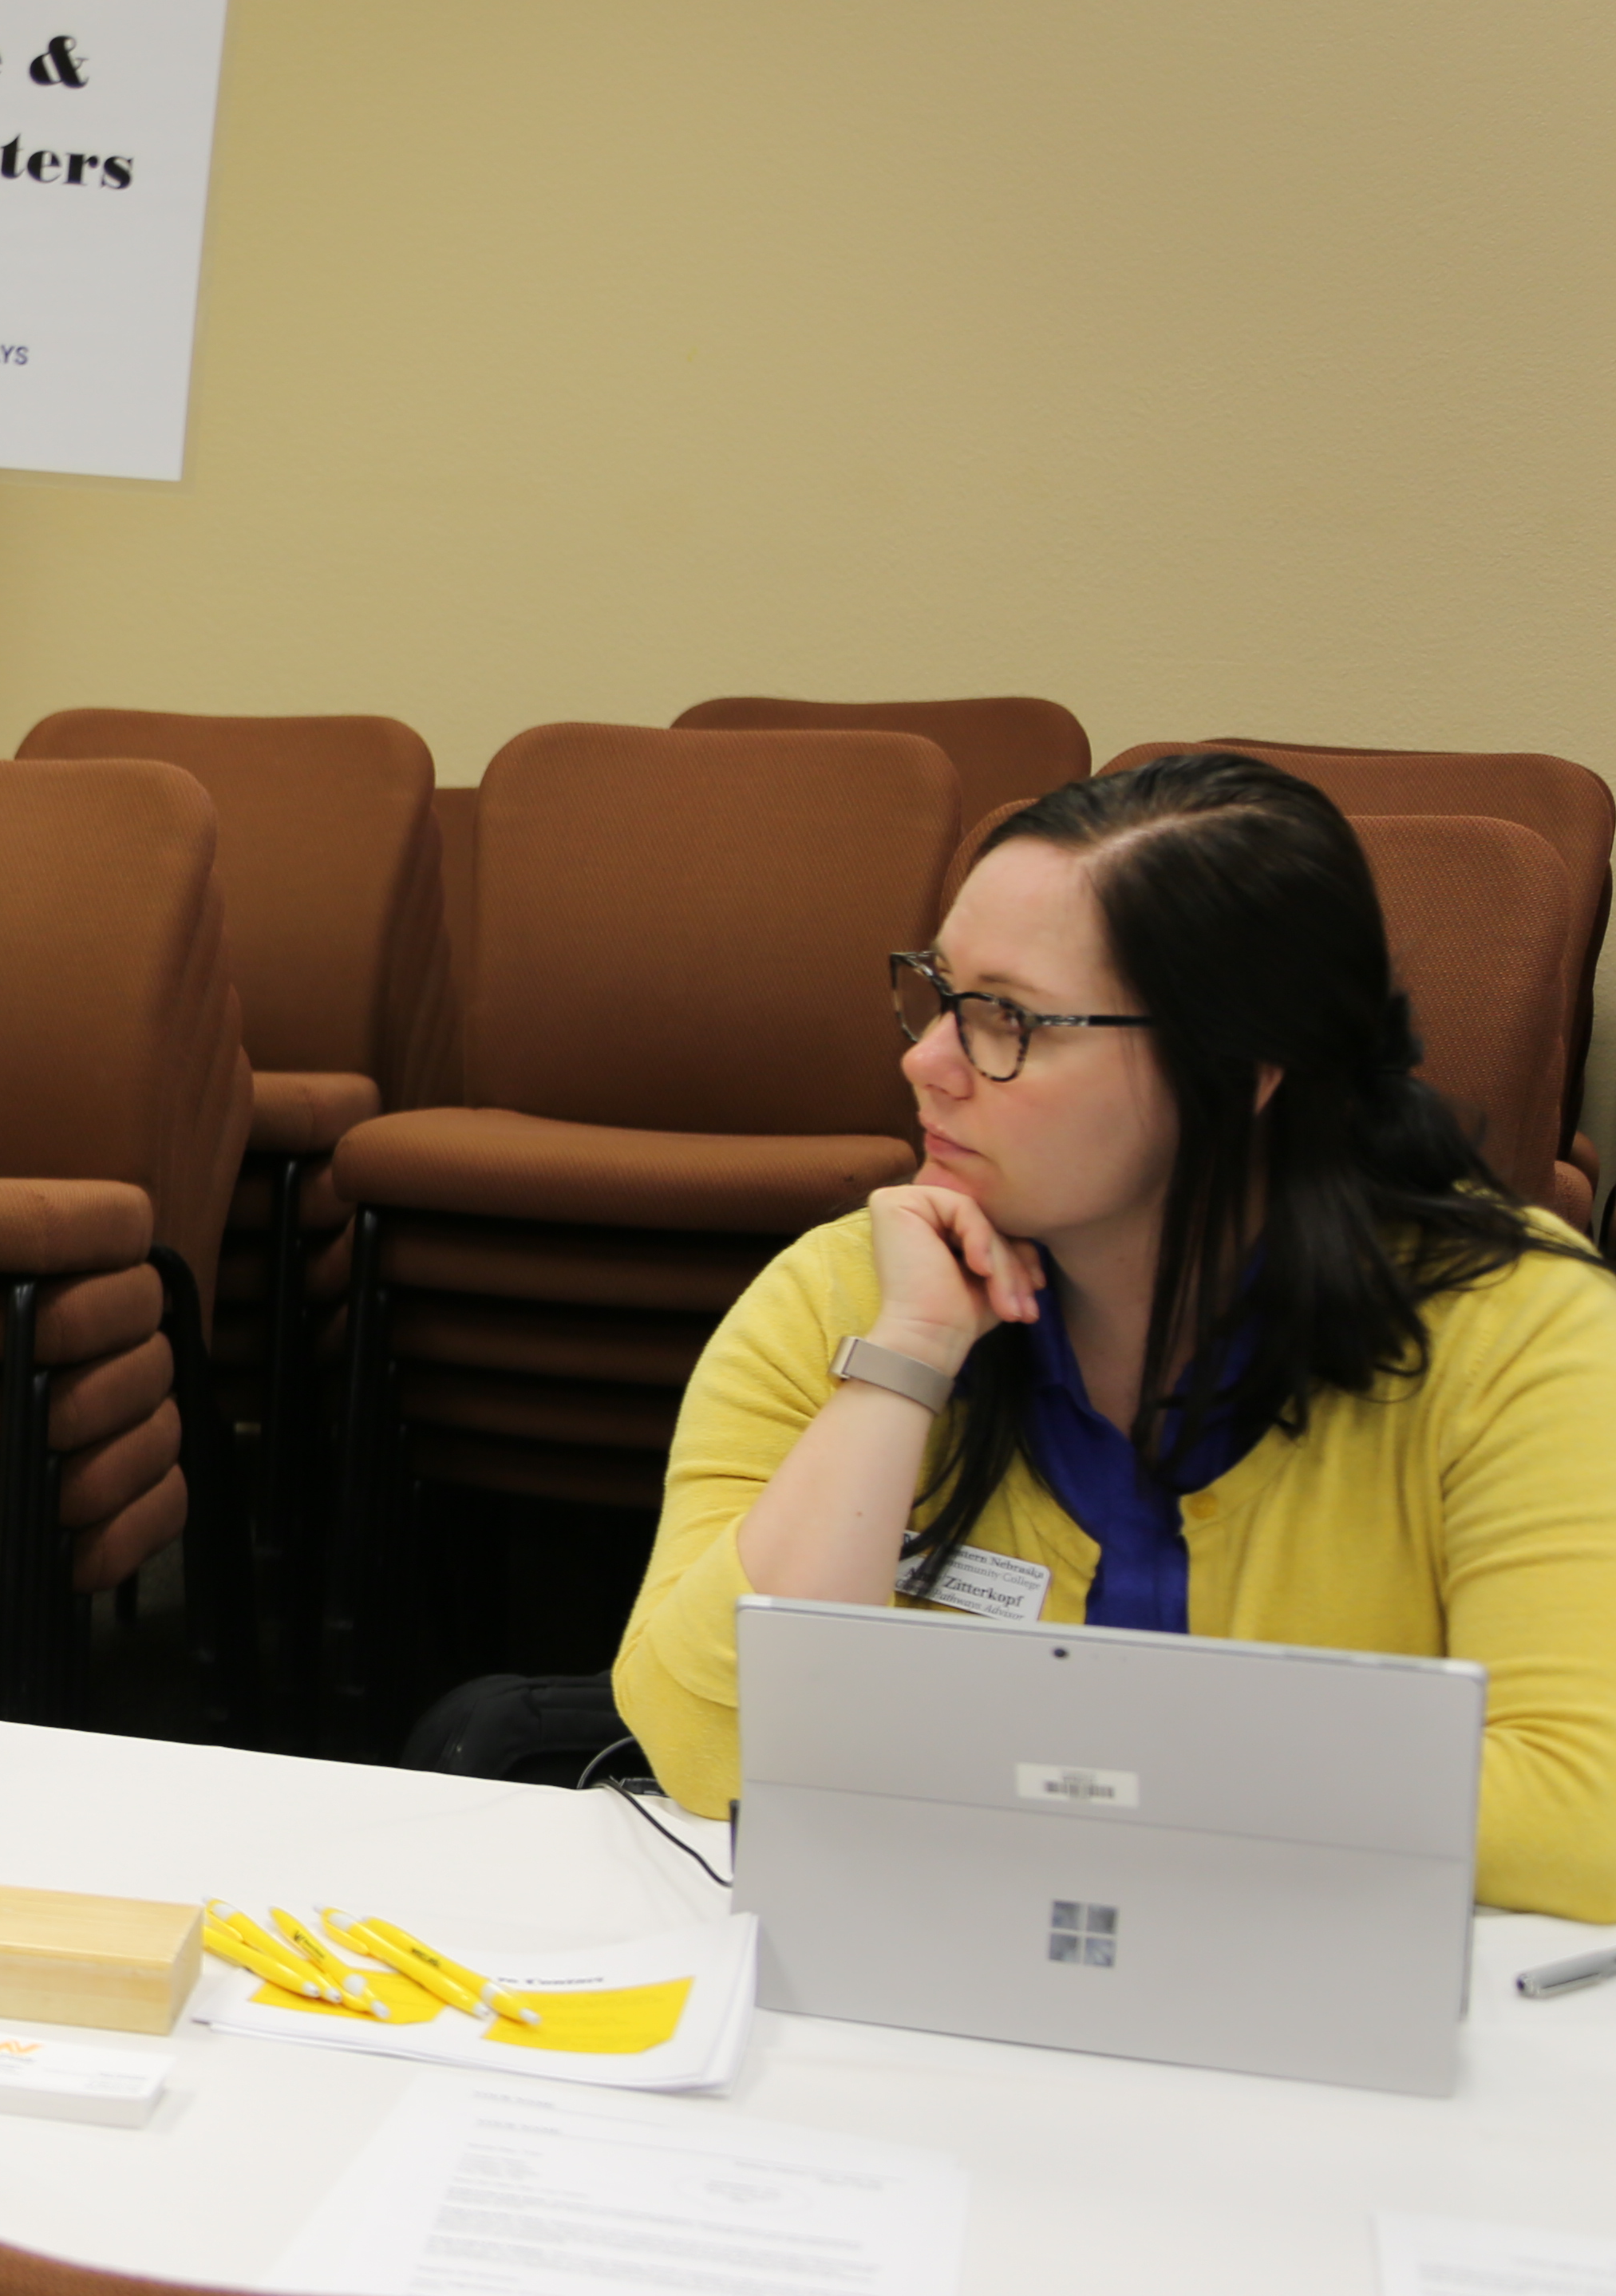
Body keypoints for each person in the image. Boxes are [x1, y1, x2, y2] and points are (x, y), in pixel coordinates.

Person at [613, 752, 1616, 1919]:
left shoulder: (1518, 1335)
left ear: (1238, 1075)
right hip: (946, 1989)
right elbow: (703, 1739)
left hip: (1322, 2020)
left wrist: (974, 1756)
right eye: (938, 992)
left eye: (1007, 1020)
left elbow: (1581, 1814)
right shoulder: (854, 1293)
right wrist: (904, 1367)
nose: (926, 1061)